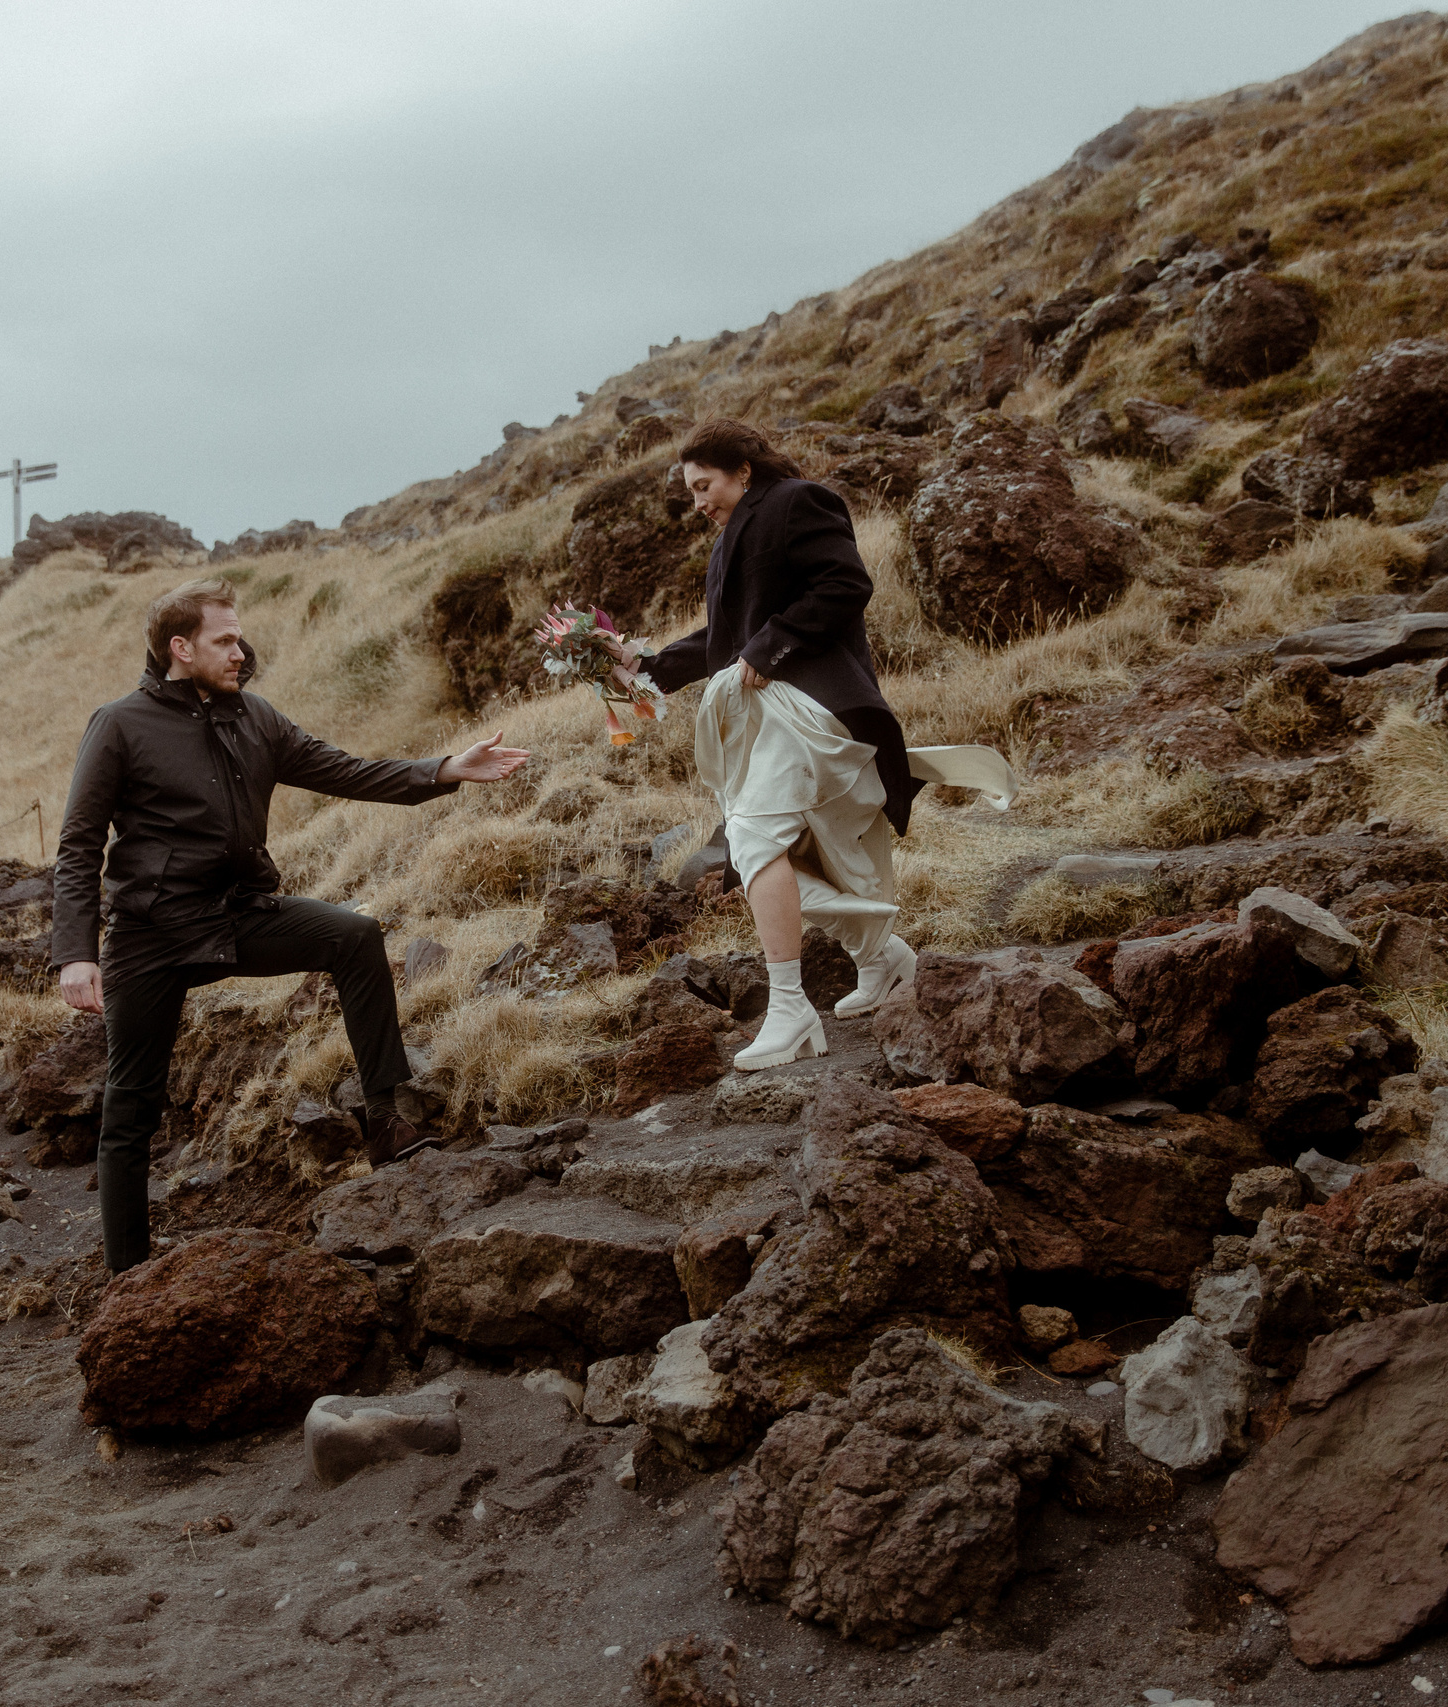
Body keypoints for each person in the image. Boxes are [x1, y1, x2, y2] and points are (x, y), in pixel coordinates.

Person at [50, 578, 529, 1273]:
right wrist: (75, 953)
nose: (239, 650)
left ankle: (387, 1119)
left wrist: (446, 768)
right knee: (130, 1108)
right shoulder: (119, 723)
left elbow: (345, 770)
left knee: (353, 936)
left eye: (239, 637)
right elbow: (78, 843)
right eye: (223, 640)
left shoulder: (256, 718)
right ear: (179, 648)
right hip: (150, 935)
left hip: (241, 913)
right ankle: (127, 1273)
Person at [625, 417, 920, 1071]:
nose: (699, 503)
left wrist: (773, 642)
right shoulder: (729, 539)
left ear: (744, 472)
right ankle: (882, 959)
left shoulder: (796, 501)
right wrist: (644, 664)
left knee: (754, 835)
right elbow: (725, 642)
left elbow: (846, 585)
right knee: (799, 852)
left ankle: (790, 1010)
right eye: (692, 492)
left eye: (706, 486)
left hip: (815, 704)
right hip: (775, 715)